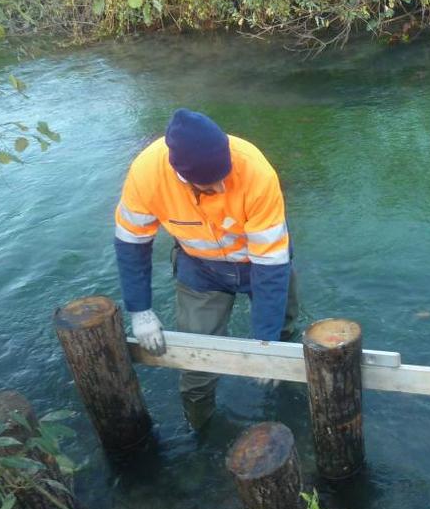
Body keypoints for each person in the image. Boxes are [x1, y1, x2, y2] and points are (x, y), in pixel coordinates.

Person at [114, 108, 298, 429]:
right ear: (181, 175)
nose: (221, 188)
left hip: (262, 266)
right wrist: (140, 311)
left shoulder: (255, 171)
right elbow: (132, 244)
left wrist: (267, 344)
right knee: (197, 365)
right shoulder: (146, 174)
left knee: (282, 334)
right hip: (201, 271)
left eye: (224, 178)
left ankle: (289, 404)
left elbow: (270, 266)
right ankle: (199, 429)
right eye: (211, 185)